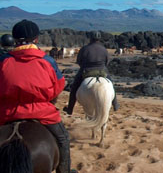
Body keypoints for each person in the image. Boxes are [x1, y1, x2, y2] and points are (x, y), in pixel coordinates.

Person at [0, 20, 74, 173]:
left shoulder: (3, 60)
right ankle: (64, 171)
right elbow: (58, 85)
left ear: (15, 39)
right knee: (63, 139)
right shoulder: (47, 60)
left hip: (6, 112)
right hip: (42, 111)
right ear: (36, 39)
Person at [63, 30, 119, 115]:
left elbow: (79, 61)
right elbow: (107, 62)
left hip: (87, 70)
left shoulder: (85, 48)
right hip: (102, 70)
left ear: (90, 38)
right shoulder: (104, 49)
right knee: (111, 83)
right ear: (99, 39)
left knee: (75, 86)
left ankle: (70, 109)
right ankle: (115, 104)